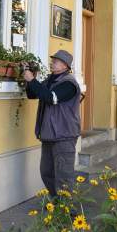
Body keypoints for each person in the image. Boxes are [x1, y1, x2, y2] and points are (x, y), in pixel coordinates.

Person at [23, 50, 81, 200]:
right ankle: (57, 206)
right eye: (53, 60)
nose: (52, 62)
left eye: (55, 61)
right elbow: (32, 95)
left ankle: (69, 214)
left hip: (64, 136)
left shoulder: (69, 83)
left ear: (64, 65)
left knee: (64, 178)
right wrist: (30, 79)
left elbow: (50, 98)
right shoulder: (50, 80)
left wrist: (33, 80)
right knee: (47, 173)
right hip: (49, 135)